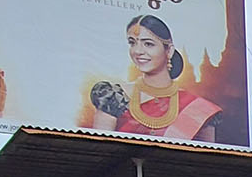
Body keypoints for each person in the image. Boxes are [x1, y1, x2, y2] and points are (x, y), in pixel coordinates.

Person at [87, 14, 226, 142]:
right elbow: (101, 151)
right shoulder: (114, 97)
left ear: (169, 50)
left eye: (148, 44)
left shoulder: (199, 109)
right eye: (132, 43)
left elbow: (204, 162)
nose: (137, 51)